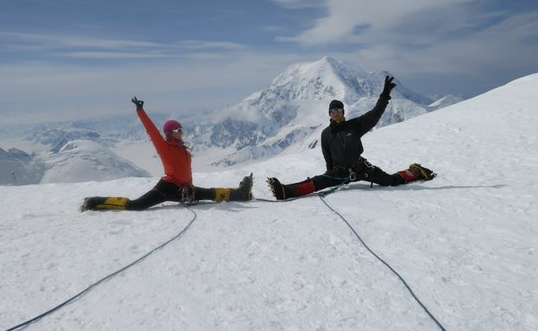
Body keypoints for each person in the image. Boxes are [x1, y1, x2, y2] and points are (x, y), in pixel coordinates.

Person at [266, 76, 435, 200]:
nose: (337, 114)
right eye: (333, 111)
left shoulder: (355, 125)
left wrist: (384, 97)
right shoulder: (326, 134)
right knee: (317, 182)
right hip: (339, 172)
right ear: (329, 114)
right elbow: (328, 157)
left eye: (339, 111)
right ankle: (285, 191)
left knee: (390, 181)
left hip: (361, 168)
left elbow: (374, 115)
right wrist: (330, 176)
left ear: (343, 112)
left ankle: (415, 171)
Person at [81, 96, 253, 211]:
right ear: (170, 132)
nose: (182, 132)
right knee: (136, 205)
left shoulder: (183, 149)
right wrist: (141, 111)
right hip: (167, 188)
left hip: (185, 189)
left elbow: (186, 171)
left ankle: (241, 193)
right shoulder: (165, 147)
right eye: (178, 129)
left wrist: (190, 189)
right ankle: (94, 201)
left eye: (182, 129)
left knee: (211, 193)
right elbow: (152, 131)